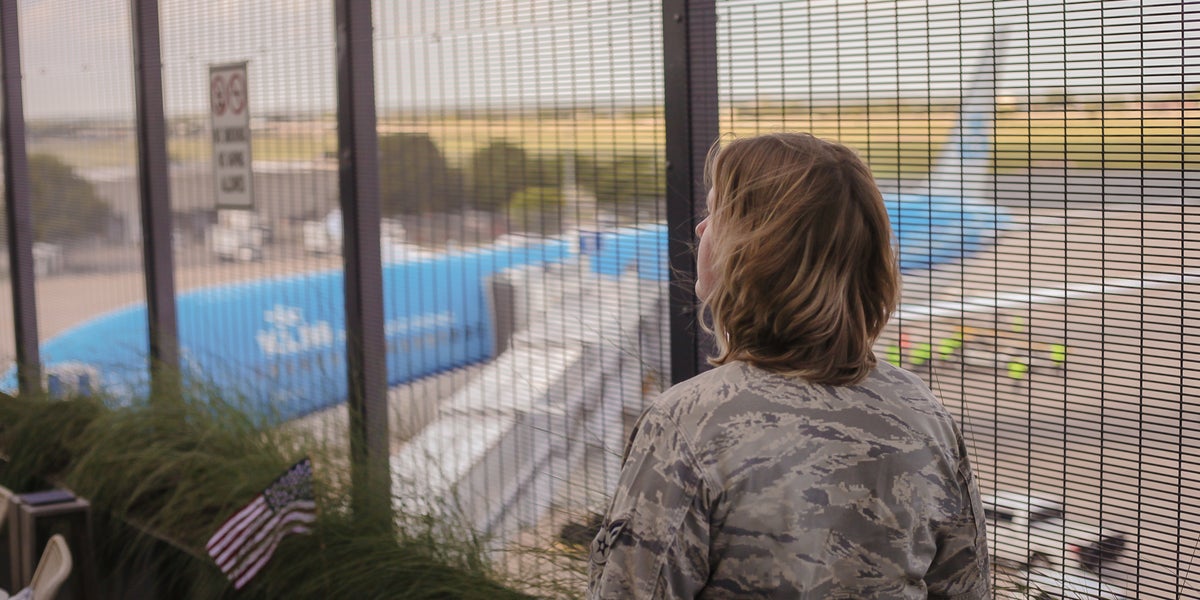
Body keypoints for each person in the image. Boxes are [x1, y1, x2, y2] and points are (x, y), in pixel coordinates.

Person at [588, 132, 990, 598]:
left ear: (756, 252)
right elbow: (966, 587)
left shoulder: (687, 424)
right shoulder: (922, 411)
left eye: (717, 214)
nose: (700, 230)